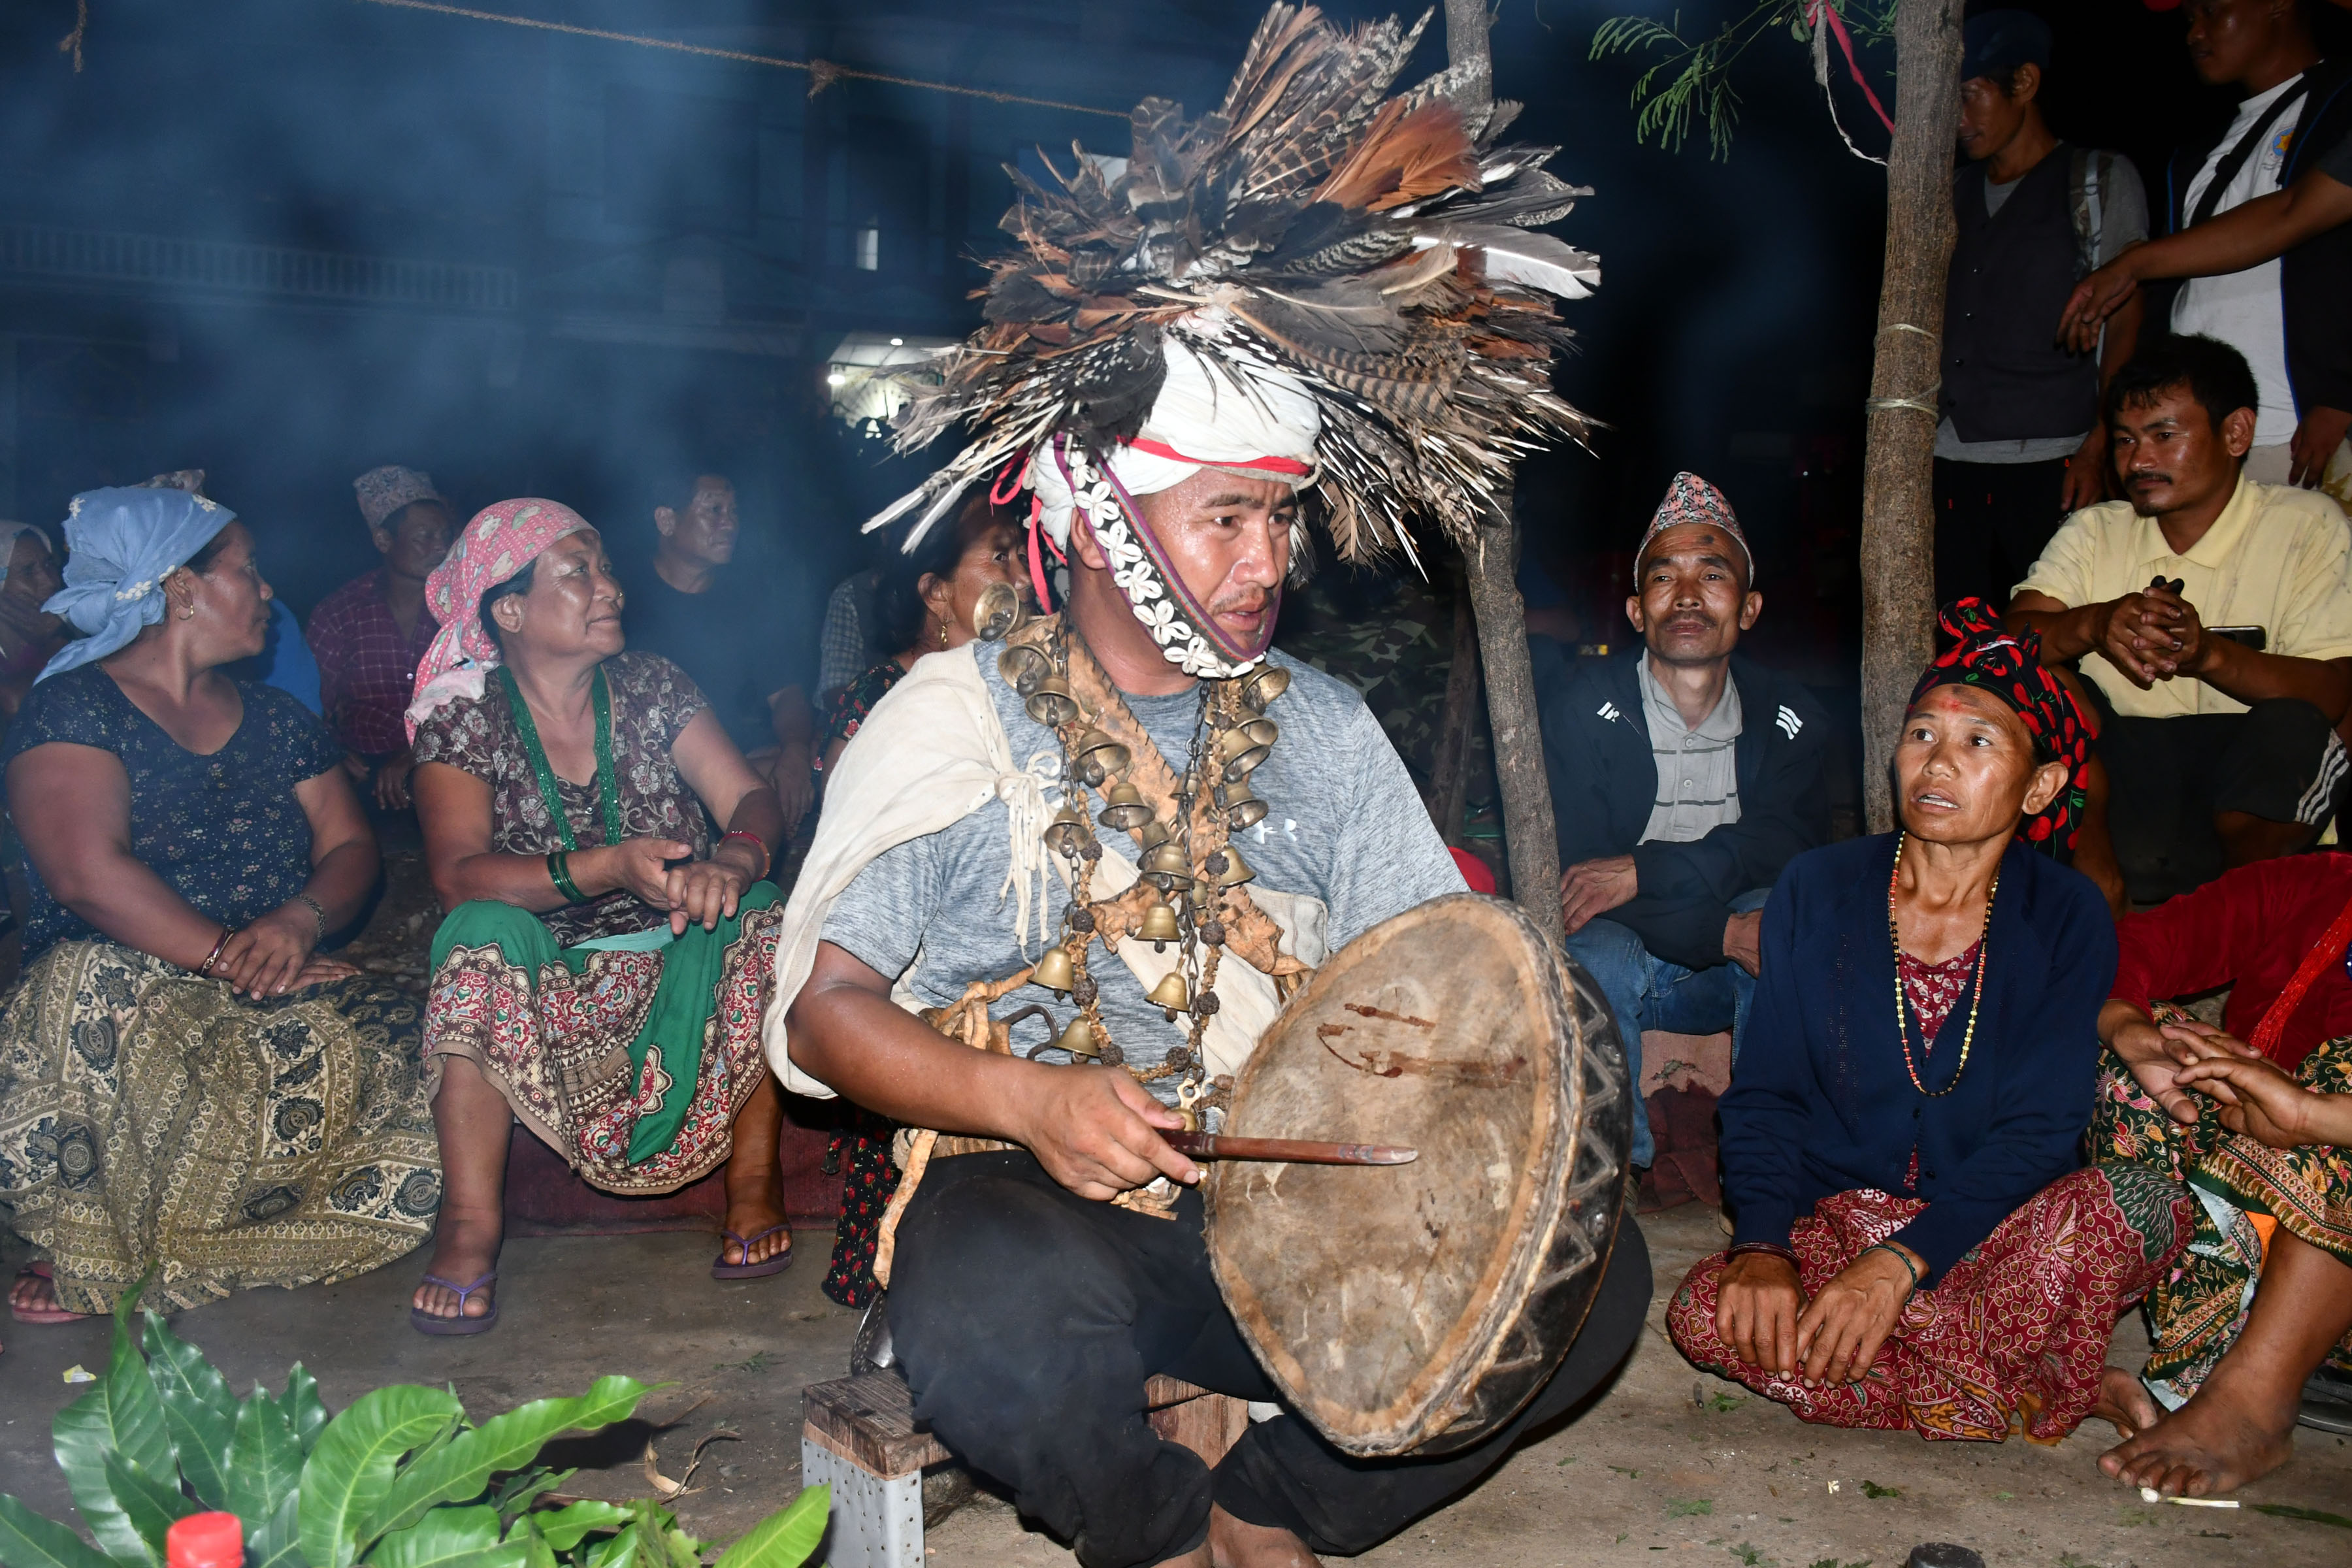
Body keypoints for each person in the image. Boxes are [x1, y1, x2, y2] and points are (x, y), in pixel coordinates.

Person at [774, 12, 1638, 1561]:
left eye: (1281, 524)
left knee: (1594, 1281)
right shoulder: (957, 716)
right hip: (1043, 1204)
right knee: (974, 1296)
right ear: (1101, 521)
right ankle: (1161, 1526)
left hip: (1292, 1226)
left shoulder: (1315, 724)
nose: (1268, 564)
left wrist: (1491, 1115)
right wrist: (1028, 1100)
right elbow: (827, 1014)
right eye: (1229, 519)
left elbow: (1442, 979)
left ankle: (1268, 1511)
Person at [1667, 600, 2191, 1441]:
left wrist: (1902, 1265)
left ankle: (1955, 1363)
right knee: (1704, 1314)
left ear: (2043, 784)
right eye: (1921, 736)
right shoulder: (1820, 887)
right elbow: (1766, 1095)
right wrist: (1762, 1249)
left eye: (1978, 742)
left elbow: (2042, 1134)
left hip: (1992, 1230)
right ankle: (2034, 1376)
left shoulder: (2066, 914)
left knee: (2134, 1204)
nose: (1937, 762)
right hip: (1841, 1219)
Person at [0, 486, 437, 1328]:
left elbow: (350, 850)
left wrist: (299, 920)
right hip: (134, 1001)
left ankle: (190, 1242)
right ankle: (91, 1239)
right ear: (181, 589)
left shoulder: (276, 719)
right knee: (87, 987)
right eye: (249, 571)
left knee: (412, 1040)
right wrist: (233, 954)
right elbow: (88, 875)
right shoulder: (75, 709)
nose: (269, 592)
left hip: (267, 980)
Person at [404, 498, 791, 1334]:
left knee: (761, 912)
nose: (608, 586)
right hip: (552, 979)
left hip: (682, 949)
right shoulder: (463, 714)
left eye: (605, 565)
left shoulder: (653, 685)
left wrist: (732, 861)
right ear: (508, 610)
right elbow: (456, 873)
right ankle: (471, 1225)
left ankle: (755, 1182)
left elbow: (752, 797)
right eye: (576, 571)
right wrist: (607, 868)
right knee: (474, 933)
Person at [1542, 472, 1830, 1171]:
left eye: (1713, 574)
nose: (1689, 596)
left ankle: (1767, 1159)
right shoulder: (1583, 710)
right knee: (1595, 948)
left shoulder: (1792, 718)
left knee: (1784, 918)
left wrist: (1645, 868)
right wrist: (1717, 929)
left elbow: (1787, 849)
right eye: (1665, 578)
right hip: (1630, 956)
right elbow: (1582, 880)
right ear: (1638, 611)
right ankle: (1615, 1172)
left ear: (1750, 607)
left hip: (1730, 971)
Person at [2007, 333, 2352, 904]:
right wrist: (2094, 624)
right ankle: (2101, 895)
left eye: (2164, 436)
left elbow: (2335, 691)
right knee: (2033, 684)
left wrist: (2209, 655)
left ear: (2236, 433)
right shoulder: (2097, 531)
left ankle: (2241, 911)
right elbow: (2002, 644)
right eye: (2124, 441)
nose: (2139, 461)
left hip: (2248, 795)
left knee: (2295, 722)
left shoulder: (2306, 526)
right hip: (2124, 784)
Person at [815, 491, 1028, 1308]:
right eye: (999, 560)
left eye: (1021, 557)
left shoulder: (1037, 684)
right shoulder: (883, 699)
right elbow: (855, 831)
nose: (1021, 578)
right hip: (905, 941)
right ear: (936, 593)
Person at [2091, 856, 2352, 1488]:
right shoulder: (2317, 887)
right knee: (2148, 1068)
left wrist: (2320, 1117)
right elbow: (2129, 945)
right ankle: (2202, 1365)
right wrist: (2129, 1026)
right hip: (2262, 1220)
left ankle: (2254, 1402)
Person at [2068, 0, 2352, 500]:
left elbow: (2296, 213)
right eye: (2188, 20)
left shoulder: (2342, 102)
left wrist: (2341, 393)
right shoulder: (2197, 154)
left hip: (2298, 436)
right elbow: (2170, 297)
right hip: (2202, 446)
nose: (2194, 33)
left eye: (2213, 11)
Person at [1934, 10, 2149, 610]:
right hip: (1950, 459)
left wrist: (2101, 440)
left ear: (2024, 84)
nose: (1958, 119)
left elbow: (2126, 319)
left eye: (1972, 96)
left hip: (2054, 462)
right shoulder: (1950, 193)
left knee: (2053, 637)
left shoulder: (2098, 182)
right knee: (1960, 636)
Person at [620, 472, 816, 837]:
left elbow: (787, 695)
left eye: (734, 511)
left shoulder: (748, 600)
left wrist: (794, 754)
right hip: (640, 770)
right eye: (713, 510)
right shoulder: (621, 597)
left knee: (828, 756)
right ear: (666, 520)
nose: (729, 523)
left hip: (731, 767)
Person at [307, 465, 456, 812]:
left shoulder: (464, 609)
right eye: (424, 536)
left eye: (445, 535)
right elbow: (311, 706)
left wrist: (419, 751)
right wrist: (333, 755)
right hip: (364, 773)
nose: (440, 547)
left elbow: (488, 695)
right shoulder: (340, 612)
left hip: (449, 759)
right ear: (384, 541)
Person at [0, 521, 66, 719]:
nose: (51, 581)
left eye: (49, 564)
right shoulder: (58, 631)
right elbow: (12, 702)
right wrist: (57, 644)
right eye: (28, 572)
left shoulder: (64, 619)